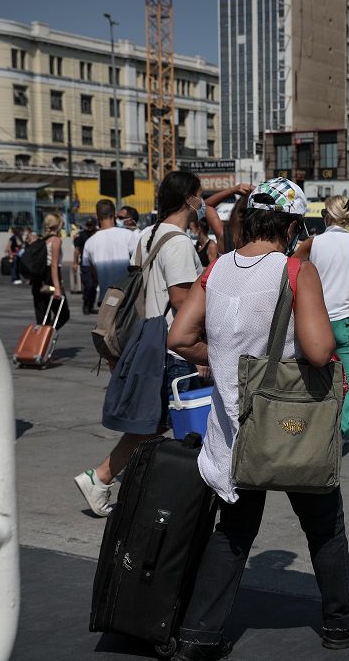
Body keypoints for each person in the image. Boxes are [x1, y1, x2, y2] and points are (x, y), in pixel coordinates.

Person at [166, 178, 349, 658]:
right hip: (289, 425)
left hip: (233, 427)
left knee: (234, 530)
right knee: (324, 522)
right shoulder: (294, 270)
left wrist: (222, 355)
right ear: (292, 226)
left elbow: (180, 337)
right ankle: (341, 622)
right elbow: (318, 349)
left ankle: (198, 637)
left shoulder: (218, 268)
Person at [74, 171, 204, 517]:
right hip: (174, 346)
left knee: (154, 424)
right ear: (189, 199)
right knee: (187, 426)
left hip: (149, 340)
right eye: (200, 195)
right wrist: (201, 344)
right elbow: (181, 300)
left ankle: (101, 478)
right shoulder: (177, 243)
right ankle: (170, 499)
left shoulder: (148, 235)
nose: (202, 202)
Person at [293, 195, 349, 444]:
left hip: (314, 322)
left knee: (315, 379)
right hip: (344, 322)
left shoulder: (312, 242)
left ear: (327, 214)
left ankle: (310, 427)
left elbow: (288, 266)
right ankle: (341, 430)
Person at [82, 200, 137, 312]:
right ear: (114, 214)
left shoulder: (89, 243)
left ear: (97, 216)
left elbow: (90, 275)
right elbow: (138, 265)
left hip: (105, 298)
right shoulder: (128, 236)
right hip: (127, 297)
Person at [31, 213, 70, 332]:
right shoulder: (56, 240)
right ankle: (47, 336)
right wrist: (57, 287)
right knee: (63, 315)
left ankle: (40, 344)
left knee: (42, 318)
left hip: (38, 280)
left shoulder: (41, 240)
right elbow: (54, 265)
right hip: (50, 280)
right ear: (58, 225)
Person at [72, 217, 98, 314]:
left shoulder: (98, 234)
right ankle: (86, 305)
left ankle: (91, 306)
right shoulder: (82, 235)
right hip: (85, 264)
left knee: (94, 286)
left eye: (91, 225)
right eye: (88, 225)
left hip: (96, 263)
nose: (89, 227)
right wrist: (75, 262)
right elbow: (77, 250)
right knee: (88, 285)